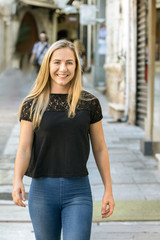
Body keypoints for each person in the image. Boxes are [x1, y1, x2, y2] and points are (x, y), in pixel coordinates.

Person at [12, 39, 115, 240]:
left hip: (78, 191)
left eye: (69, 62)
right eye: (57, 62)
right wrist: (17, 180)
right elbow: (24, 148)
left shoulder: (89, 103)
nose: (63, 68)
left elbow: (100, 149)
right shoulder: (32, 104)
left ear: (77, 66)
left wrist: (108, 189)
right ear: (48, 65)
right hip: (42, 192)